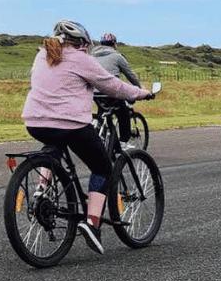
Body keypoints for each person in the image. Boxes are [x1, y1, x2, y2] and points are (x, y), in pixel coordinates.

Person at [23, 20, 153, 254]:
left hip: (34, 121)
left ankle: (41, 190)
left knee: (53, 149)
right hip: (69, 123)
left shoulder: (42, 55)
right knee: (102, 167)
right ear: (82, 43)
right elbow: (112, 85)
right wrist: (142, 93)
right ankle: (92, 223)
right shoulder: (81, 58)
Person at [90, 32, 141, 143]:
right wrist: (139, 88)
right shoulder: (117, 57)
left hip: (95, 93)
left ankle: (101, 134)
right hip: (111, 92)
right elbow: (130, 75)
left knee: (102, 113)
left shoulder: (92, 56)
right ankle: (124, 143)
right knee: (123, 114)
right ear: (114, 44)